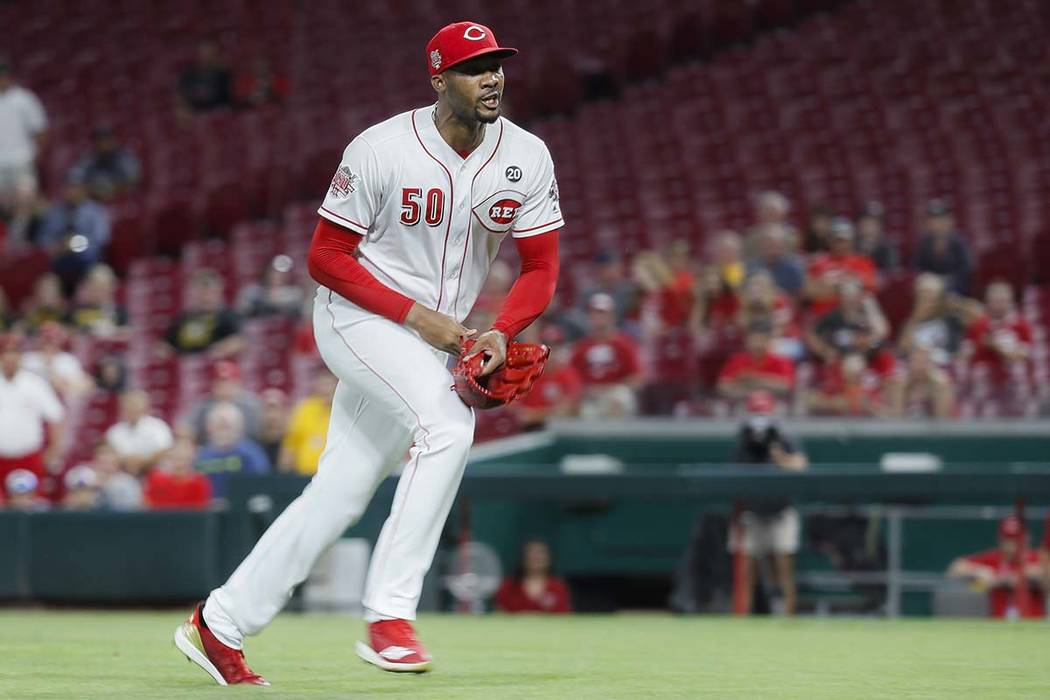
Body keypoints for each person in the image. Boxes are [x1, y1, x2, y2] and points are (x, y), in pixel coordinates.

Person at [176, 22, 561, 682]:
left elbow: (540, 267)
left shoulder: (526, 155)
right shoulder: (381, 148)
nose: (491, 77)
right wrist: (421, 319)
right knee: (447, 425)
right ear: (439, 79)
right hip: (358, 318)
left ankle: (220, 623)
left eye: (496, 64)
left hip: (432, 336)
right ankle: (390, 616)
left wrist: (502, 329)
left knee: (341, 493)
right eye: (473, 68)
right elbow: (325, 258)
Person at [728, 391, 808, 615]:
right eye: (756, 412)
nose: (760, 419)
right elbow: (733, 474)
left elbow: (801, 465)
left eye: (763, 412)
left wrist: (779, 456)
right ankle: (741, 617)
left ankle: (788, 616)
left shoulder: (784, 437)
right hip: (751, 511)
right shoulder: (744, 439)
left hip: (781, 509)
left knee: (783, 566)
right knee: (746, 570)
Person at [0, 333, 65, 498]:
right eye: (6, 353)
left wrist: (54, 449)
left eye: (14, 353)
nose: (10, 358)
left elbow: (56, 417)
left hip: (28, 456)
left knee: (33, 505)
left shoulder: (34, 383)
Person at [947, 515, 1044, 619]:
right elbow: (954, 568)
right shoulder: (994, 558)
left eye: (1016, 540)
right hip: (998, 625)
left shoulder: (1037, 558)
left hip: (1033, 623)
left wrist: (1022, 575)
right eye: (1007, 540)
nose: (1011, 545)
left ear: (1026, 539)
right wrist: (978, 570)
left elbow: (1043, 572)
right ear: (1000, 540)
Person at [570, 293, 643, 418]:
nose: (599, 318)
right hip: (590, 397)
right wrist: (586, 391)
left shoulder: (624, 344)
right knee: (584, 410)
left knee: (621, 398)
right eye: (595, 313)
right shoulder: (582, 348)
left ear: (612, 316)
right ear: (589, 317)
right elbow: (572, 377)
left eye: (603, 313)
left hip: (614, 395)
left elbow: (637, 378)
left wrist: (611, 388)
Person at [36, 175, 111, 291]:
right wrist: (55, 247)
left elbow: (101, 239)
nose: (72, 192)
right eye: (68, 188)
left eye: (75, 188)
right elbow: (43, 238)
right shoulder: (55, 212)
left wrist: (74, 244)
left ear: (84, 190)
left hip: (87, 261)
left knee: (97, 274)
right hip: (60, 261)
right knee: (46, 281)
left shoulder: (95, 211)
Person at [897, 273, 981, 367]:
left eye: (929, 292)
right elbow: (902, 349)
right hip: (920, 369)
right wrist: (916, 317)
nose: (925, 297)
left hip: (947, 369)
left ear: (939, 296)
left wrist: (955, 302)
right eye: (921, 292)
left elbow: (979, 314)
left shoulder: (951, 318)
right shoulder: (912, 321)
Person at [194, 402, 271, 497]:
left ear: (239, 428)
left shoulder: (252, 454)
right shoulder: (200, 456)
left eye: (227, 426)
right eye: (219, 426)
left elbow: (261, 483)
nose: (223, 432)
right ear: (208, 428)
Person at [804, 217, 877, 318]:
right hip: (822, 317)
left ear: (851, 241)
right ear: (829, 240)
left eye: (843, 240)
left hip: (852, 318)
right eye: (836, 240)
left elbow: (869, 286)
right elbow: (809, 290)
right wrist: (843, 285)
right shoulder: (817, 262)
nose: (840, 244)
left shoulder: (863, 262)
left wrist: (827, 286)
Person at [0, 56, 48, 205]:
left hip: (23, 161)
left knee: (25, 206)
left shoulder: (24, 99)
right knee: (4, 208)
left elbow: (41, 131)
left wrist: (35, 158)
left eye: (3, 75)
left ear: (9, 76)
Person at [163, 269, 243, 358]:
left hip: (214, 365)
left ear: (218, 290)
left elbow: (239, 341)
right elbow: (166, 344)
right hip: (185, 365)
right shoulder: (183, 317)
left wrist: (213, 353)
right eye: (200, 288)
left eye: (208, 288)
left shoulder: (228, 316)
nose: (204, 293)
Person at [717, 320, 796, 404]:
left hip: (776, 410)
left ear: (769, 340)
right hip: (741, 408)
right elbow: (722, 386)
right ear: (747, 339)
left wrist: (753, 379)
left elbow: (786, 386)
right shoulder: (736, 359)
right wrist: (750, 393)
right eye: (754, 338)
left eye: (762, 339)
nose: (758, 343)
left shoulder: (782, 360)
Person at [182, 360, 261, 442]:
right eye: (220, 383)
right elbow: (184, 427)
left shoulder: (251, 405)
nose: (224, 388)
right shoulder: (203, 405)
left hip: (246, 449)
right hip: (210, 451)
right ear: (213, 385)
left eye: (229, 382)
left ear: (238, 384)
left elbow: (262, 433)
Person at [278, 367, 336, 475]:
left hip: (331, 475)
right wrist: (284, 472)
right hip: (302, 475)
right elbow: (291, 443)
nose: (326, 388)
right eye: (323, 384)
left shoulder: (342, 412)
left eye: (329, 384)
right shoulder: (304, 409)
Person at [105, 389, 175, 476]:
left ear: (145, 407)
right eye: (128, 405)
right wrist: (128, 461)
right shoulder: (114, 431)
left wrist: (143, 462)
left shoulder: (158, 426)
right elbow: (109, 454)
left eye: (135, 405)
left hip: (154, 472)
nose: (132, 408)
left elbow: (165, 450)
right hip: (123, 473)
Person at [20, 320, 94, 400]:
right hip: (32, 400)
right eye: (46, 339)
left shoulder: (68, 360)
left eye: (52, 339)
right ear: (39, 339)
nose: (49, 344)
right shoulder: (28, 359)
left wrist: (61, 384)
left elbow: (85, 386)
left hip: (63, 401)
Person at [913, 199, 973, 295]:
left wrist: (944, 283)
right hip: (930, 290)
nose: (937, 224)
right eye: (933, 220)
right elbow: (917, 269)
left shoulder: (960, 243)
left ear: (949, 220)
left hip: (955, 291)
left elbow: (966, 271)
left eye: (941, 219)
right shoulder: (923, 244)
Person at [494, 539, 572, 613]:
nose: (535, 557)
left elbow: (564, 616)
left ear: (548, 558)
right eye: (531, 554)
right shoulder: (508, 586)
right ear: (523, 558)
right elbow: (500, 614)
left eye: (540, 554)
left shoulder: (558, 587)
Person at [68, 126, 140, 201]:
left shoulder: (125, 158)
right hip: (94, 201)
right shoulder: (90, 159)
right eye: (98, 140)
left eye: (105, 140)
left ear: (112, 140)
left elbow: (131, 183)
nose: (101, 144)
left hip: (121, 201)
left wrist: (112, 188)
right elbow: (75, 177)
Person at [144, 437, 212, 510]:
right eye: (177, 455)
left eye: (184, 457)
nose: (180, 456)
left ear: (192, 457)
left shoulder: (200, 482)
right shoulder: (156, 479)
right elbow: (148, 505)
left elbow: (201, 510)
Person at [67, 263, 130, 338]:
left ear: (111, 289)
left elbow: (128, 333)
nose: (98, 292)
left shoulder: (120, 312)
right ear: (88, 287)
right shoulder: (76, 311)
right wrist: (89, 330)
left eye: (103, 288)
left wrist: (112, 331)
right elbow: (68, 332)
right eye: (95, 287)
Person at [236, 255, 303, 318]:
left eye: (280, 273)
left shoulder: (294, 293)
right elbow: (243, 310)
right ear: (266, 273)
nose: (276, 276)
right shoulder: (253, 291)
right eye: (273, 272)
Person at [178, 41, 232, 113]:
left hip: (218, 114)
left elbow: (230, 100)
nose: (207, 57)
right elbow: (181, 95)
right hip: (195, 114)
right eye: (205, 53)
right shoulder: (190, 74)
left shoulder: (224, 74)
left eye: (210, 53)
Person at [854, 201, 898, 272]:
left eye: (874, 223)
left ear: (880, 226)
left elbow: (891, 269)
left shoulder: (887, 245)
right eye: (866, 223)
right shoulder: (853, 243)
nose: (869, 228)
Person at [256, 388, 289, 466]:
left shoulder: (291, 443)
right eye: (268, 410)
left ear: (284, 412)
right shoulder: (255, 444)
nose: (272, 416)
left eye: (276, 409)